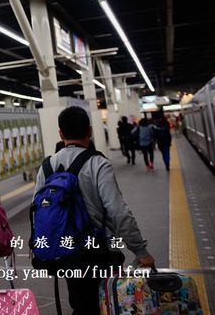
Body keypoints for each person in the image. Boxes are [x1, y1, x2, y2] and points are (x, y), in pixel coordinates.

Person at [35, 107, 154, 314]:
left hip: (65, 252)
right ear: (89, 131)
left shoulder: (47, 166)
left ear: (60, 133)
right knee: (106, 304)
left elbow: (38, 211)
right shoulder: (98, 163)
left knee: (81, 304)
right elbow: (118, 212)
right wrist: (140, 250)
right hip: (98, 252)